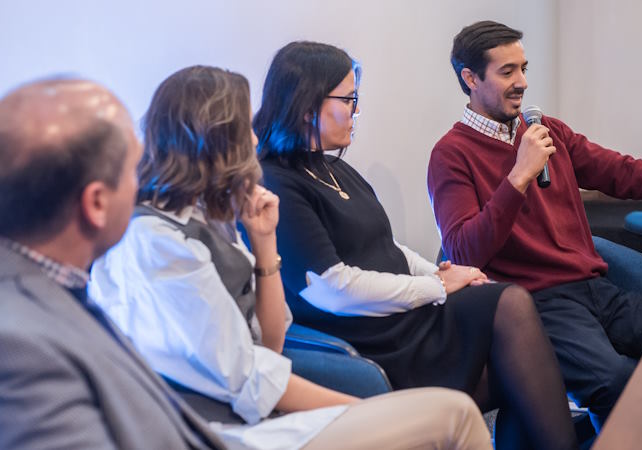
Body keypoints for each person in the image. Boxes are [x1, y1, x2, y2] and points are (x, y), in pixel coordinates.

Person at [88, 65, 492, 450]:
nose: (252, 140)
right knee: (453, 414)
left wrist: (264, 244)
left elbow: (272, 339)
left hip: (252, 405)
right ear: (212, 140)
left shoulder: (207, 218)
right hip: (218, 429)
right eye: (243, 128)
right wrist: (362, 411)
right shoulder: (156, 242)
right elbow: (247, 375)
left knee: (461, 390)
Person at [427, 20, 642, 430]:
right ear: (470, 78)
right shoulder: (451, 154)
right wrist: (518, 178)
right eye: (507, 71)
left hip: (593, 287)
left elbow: (623, 172)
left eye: (524, 68)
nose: (522, 83)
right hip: (536, 302)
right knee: (615, 381)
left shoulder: (545, 130)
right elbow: (463, 252)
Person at [256, 41, 578, 450]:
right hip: (374, 333)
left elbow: (386, 246)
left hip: (407, 312)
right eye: (349, 100)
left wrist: (441, 271)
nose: (357, 111)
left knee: (514, 330)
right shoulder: (276, 182)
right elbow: (332, 288)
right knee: (513, 326)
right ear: (307, 106)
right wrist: (437, 288)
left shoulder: (334, 167)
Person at [0, 78, 228, 449]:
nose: (141, 183)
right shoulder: (18, 349)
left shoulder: (55, 280)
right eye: (135, 169)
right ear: (97, 204)